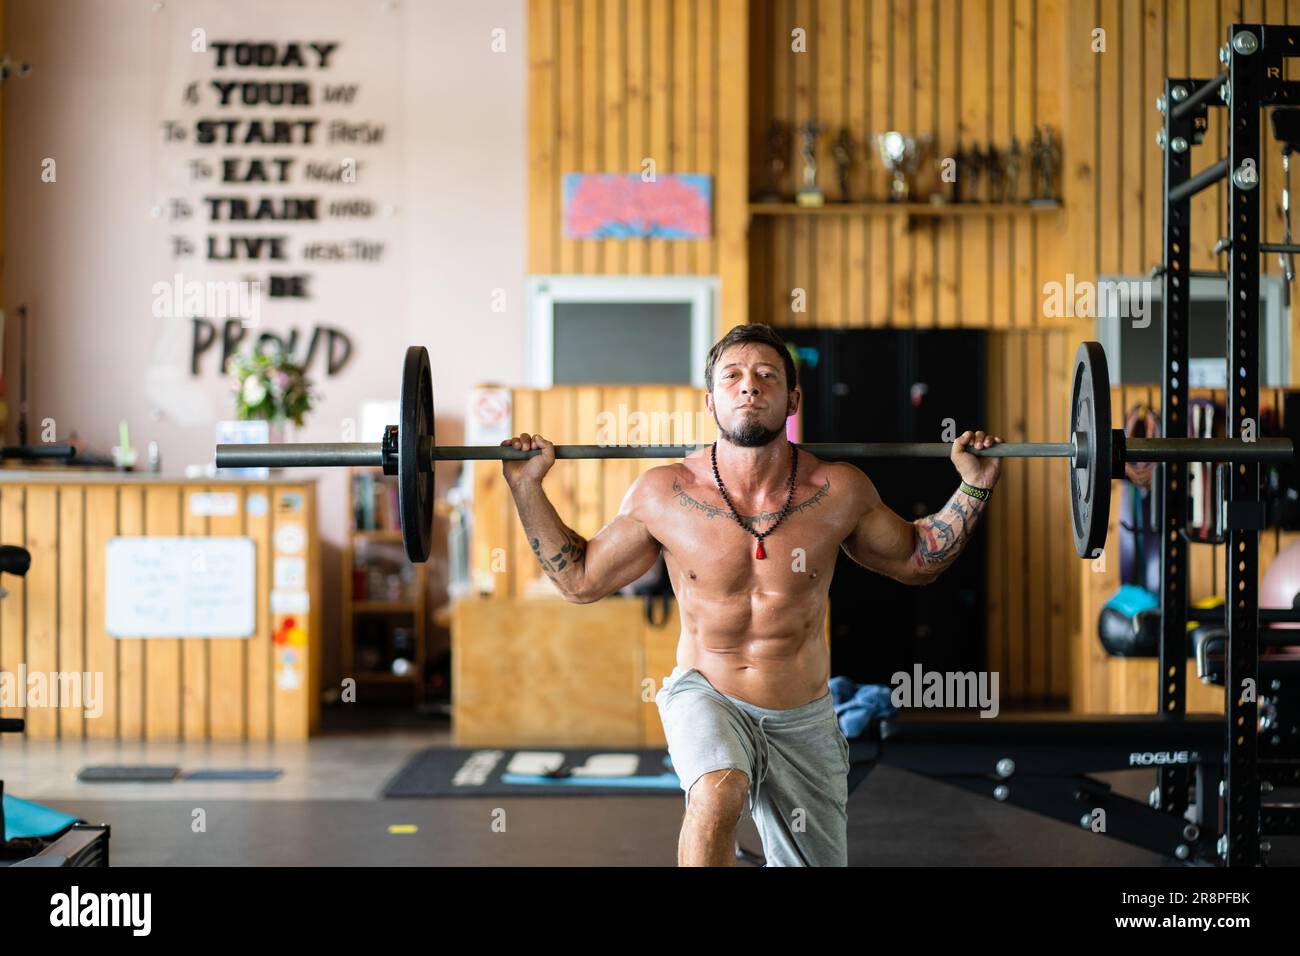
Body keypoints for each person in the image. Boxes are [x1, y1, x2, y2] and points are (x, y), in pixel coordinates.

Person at [501, 323, 1002, 866]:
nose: (749, 386)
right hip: (707, 692)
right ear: (711, 399)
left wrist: (974, 485)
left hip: (802, 716)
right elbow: (580, 580)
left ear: (793, 398)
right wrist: (526, 488)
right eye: (732, 376)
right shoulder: (663, 494)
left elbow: (915, 560)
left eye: (767, 375)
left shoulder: (839, 490)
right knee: (718, 791)